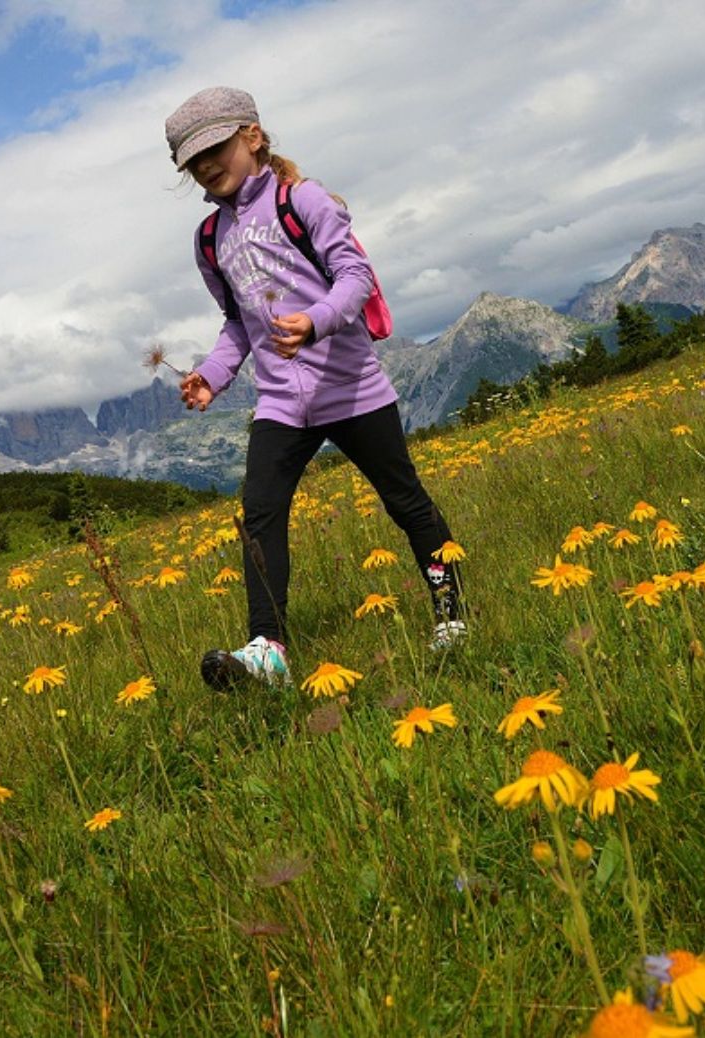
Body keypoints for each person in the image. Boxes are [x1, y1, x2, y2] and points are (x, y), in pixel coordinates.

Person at [164, 86, 466, 691]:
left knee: (405, 502)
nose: (206, 165)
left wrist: (316, 320)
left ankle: (451, 615)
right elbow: (236, 323)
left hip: (352, 388)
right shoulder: (209, 240)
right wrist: (212, 376)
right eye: (193, 160)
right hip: (280, 403)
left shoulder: (302, 200)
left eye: (215, 147)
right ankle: (267, 650)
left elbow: (354, 275)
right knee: (259, 516)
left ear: (252, 136)